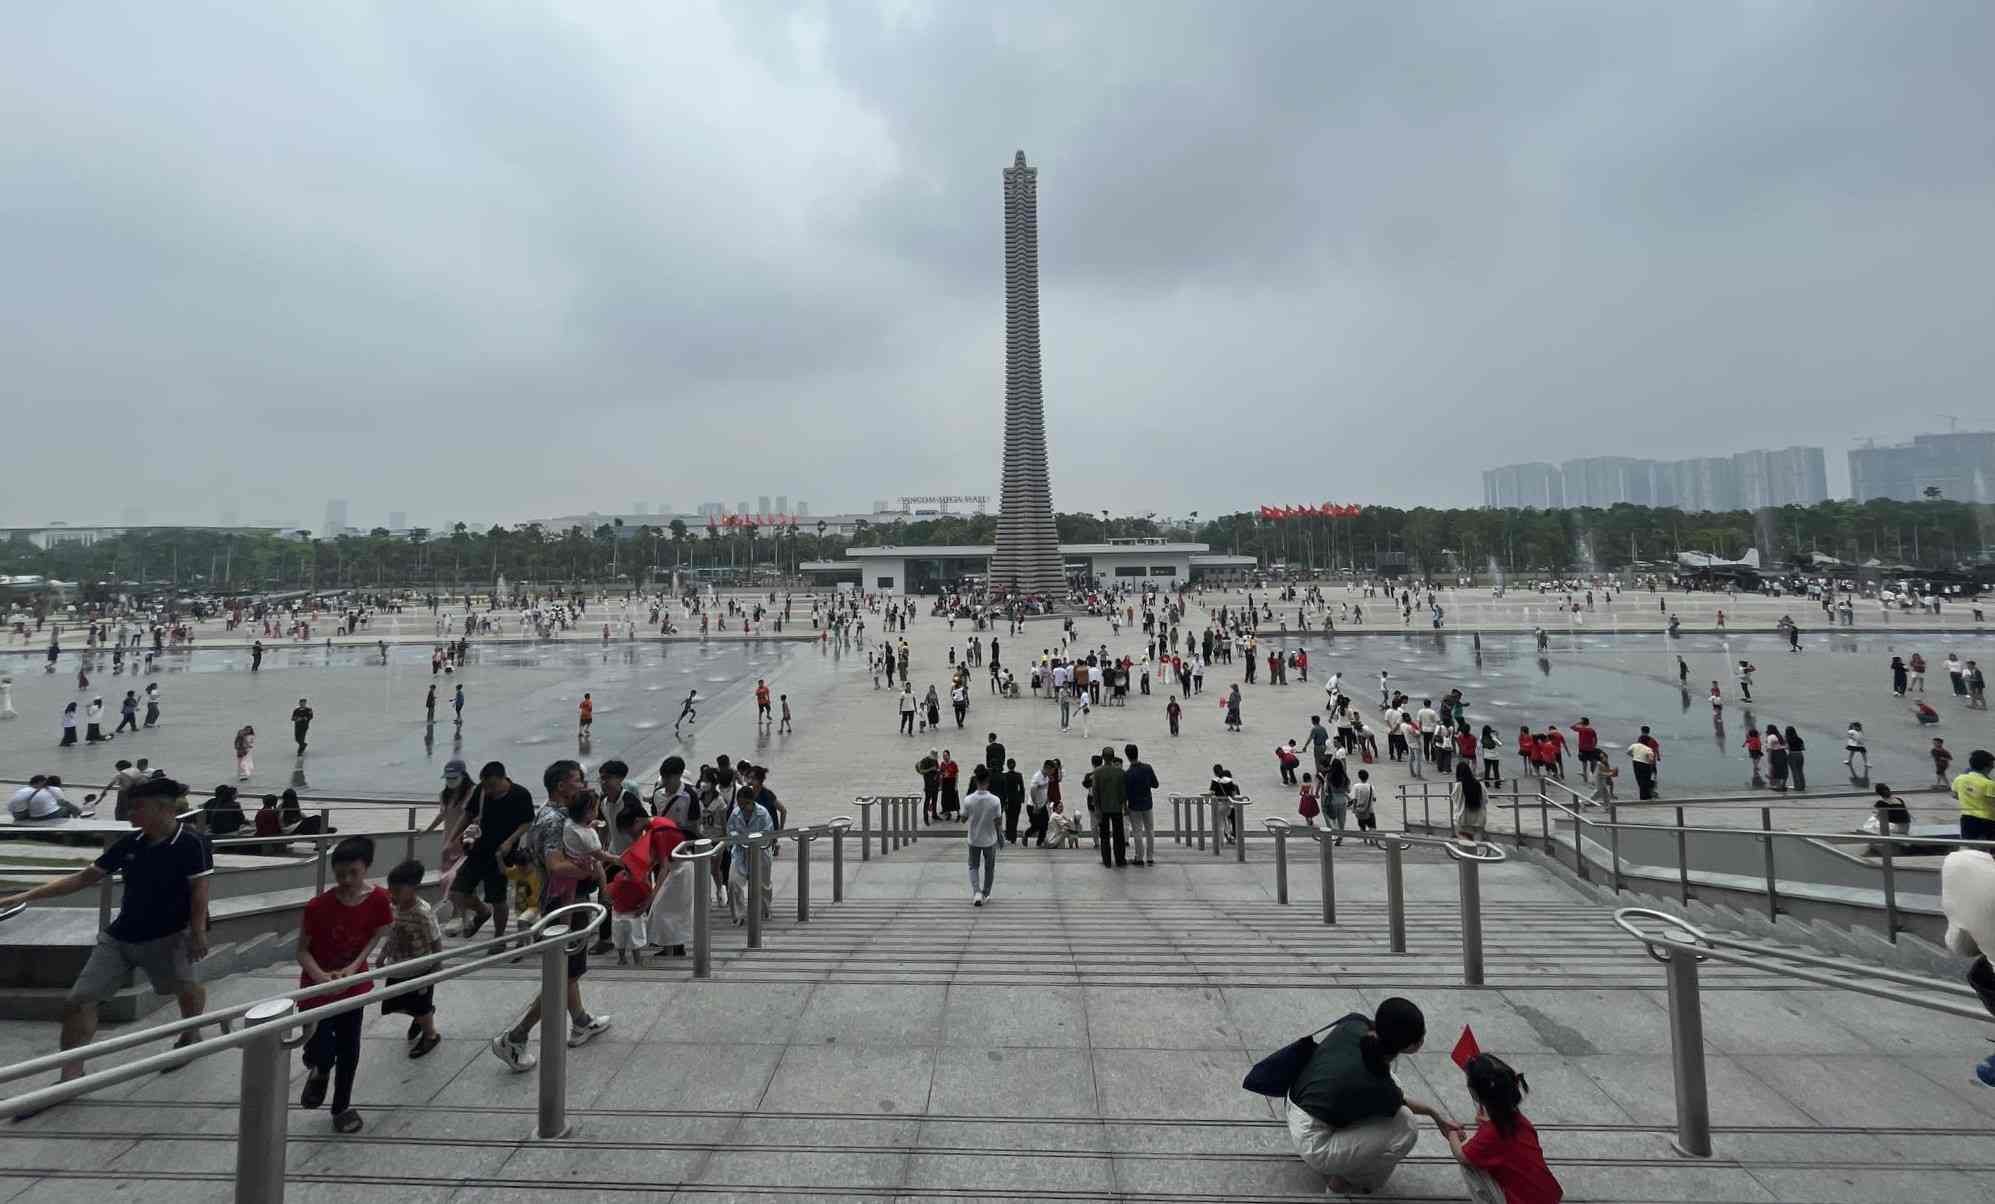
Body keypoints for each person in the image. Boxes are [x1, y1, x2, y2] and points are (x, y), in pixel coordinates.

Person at [0, 777, 211, 1115]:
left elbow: (199, 890)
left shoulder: (192, 843)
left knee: (184, 987)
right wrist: (24, 895)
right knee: (78, 1000)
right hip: (120, 937)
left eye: (136, 806)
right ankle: (70, 1077)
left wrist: (198, 932)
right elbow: (83, 879)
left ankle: (191, 1034)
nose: (129, 812)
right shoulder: (129, 844)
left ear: (162, 808)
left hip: (171, 936)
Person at [487, 760, 614, 1073]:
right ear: (561, 786)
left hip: (567, 901)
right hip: (564, 905)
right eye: (578, 780)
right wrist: (593, 868)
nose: (584, 785)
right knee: (562, 975)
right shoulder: (555, 821)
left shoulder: (553, 814)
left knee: (569, 969)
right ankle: (515, 1037)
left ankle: (581, 1021)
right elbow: (556, 865)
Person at [1284, 998, 1455, 1194]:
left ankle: (1346, 1152)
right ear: (1412, 1046)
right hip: (1313, 1141)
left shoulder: (1353, 1023)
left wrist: (1434, 1115)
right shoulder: (1379, 1085)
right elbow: (1399, 1102)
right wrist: (1435, 1115)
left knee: (1393, 1084)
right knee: (1406, 1127)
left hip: (1296, 1099)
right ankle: (1347, 1182)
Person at [298, 834, 395, 1133]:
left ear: (366, 868)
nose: (347, 879)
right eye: (340, 874)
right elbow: (301, 951)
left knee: (349, 1048)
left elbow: (379, 933)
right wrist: (322, 979)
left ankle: (342, 1107)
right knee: (321, 1049)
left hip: (353, 986)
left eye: (353, 872)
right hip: (317, 989)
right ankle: (320, 1069)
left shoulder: (379, 899)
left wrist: (354, 968)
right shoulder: (317, 907)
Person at [1444, 1053, 1564, 1204]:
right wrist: (1486, 1125)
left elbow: (1462, 1155)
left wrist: (1452, 1133)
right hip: (1549, 1197)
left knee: (1469, 1166)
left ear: (1475, 1093)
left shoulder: (1491, 1133)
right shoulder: (1521, 1121)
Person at [450, 761, 535, 938]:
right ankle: (482, 911)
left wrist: (510, 841)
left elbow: (527, 821)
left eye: (492, 786)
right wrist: (453, 838)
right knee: (457, 892)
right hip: (477, 851)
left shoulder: (520, 794)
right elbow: (468, 814)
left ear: (503, 778)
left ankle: (499, 937)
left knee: (498, 898)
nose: (488, 790)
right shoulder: (480, 791)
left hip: (501, 855)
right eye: (486, 785)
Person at [378, 858, 445, 1059]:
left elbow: (435, 940)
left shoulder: (423, 912)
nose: (393, 895)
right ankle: (422, 1017)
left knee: (419, 1005)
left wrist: (437, 965)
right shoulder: (395, 908)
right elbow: (393, 933)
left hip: (419, 969)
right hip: (398, 967)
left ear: (413, 888)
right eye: (391, 890)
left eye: (398, 890)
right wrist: (383, 954)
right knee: (399, 1003)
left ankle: (430, 1034)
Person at [725, 781, 776, 925]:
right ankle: (739, 915)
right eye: (740, 804)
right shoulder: (735, 813)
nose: (743, 807)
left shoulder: (762, 813)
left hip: (760, 851)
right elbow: (730, 830)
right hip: (741, 851)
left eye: (745, 804)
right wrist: (737, 838)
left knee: (763, 884)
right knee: (733, 882)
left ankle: (765, 910)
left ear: (752, 801)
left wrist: (755, 839)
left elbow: (768, 832)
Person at [962, 765, 1002, 905]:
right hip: (990, 839)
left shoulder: (968, 799)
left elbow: (963, 818)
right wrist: (1000, 836)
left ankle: (976, 892)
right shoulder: (995, 800)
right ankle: (986, 893)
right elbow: (998, 821)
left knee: (973, 866)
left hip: (973, 839)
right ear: (988, 781)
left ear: (975, 781)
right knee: (989, 867)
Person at [1093, 746, 1128, 868]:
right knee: (1119, 835)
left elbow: (1095, 792)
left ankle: (1107, 860)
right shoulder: (1120, 772)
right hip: (1117, 808)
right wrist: (1125, 806)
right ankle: (1120, 859)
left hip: (1103, 808)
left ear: (1103, 757)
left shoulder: (1097, 772)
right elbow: (1123, 792)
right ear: (1113, 757)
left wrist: (1097, 808)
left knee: (1104, 836)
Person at [1125, 744, 1159, 866]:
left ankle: (1139, 857)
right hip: (1147, 803)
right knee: (1150, 830)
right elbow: (1156, 784)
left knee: (1137, 831)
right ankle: (1150, 857)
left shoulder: (1128, 773)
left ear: (1127, 756)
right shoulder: (1147, 768)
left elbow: (1126, 793)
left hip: (1134, 805)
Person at [1956, 749, 1995, 842]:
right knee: (1988, 848)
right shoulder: (1989, 784)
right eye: (1992, 766)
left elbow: (1954, 794)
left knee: (1970, 848)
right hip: (1987, 821)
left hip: (1966, 819)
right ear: (1987, 767)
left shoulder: (1960, 779)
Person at [9, 774, 85, 820]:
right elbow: (62, 803)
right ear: (39, 782)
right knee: (66, 808)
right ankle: (75, 819)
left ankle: (78, 813)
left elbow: (11, 807)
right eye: (44, 782)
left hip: (16, 815)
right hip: (26, 815)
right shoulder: (47, 789)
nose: (45, 784)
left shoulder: (23, 790)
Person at [1452, 761, 1487, 841]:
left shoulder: (1458, 786)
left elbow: (1455, 799)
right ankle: (1478, 852)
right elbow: (1485, 800)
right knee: (1478, 842)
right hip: (1479, 818)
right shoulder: (1480, 784)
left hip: (1464, 818)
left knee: (1464, 841)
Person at [1350, 769, 1377, 837]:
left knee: (1362, 826)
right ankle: (1372, 840)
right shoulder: (1371, 787)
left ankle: (1364, 839)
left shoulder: (1356, 786)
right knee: (1372, 826)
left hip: (1360, 810)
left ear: (1359, 777)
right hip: (1370, 810)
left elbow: (1354, 799)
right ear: (1367, 777)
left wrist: (1354, 809)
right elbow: (1374, 798)